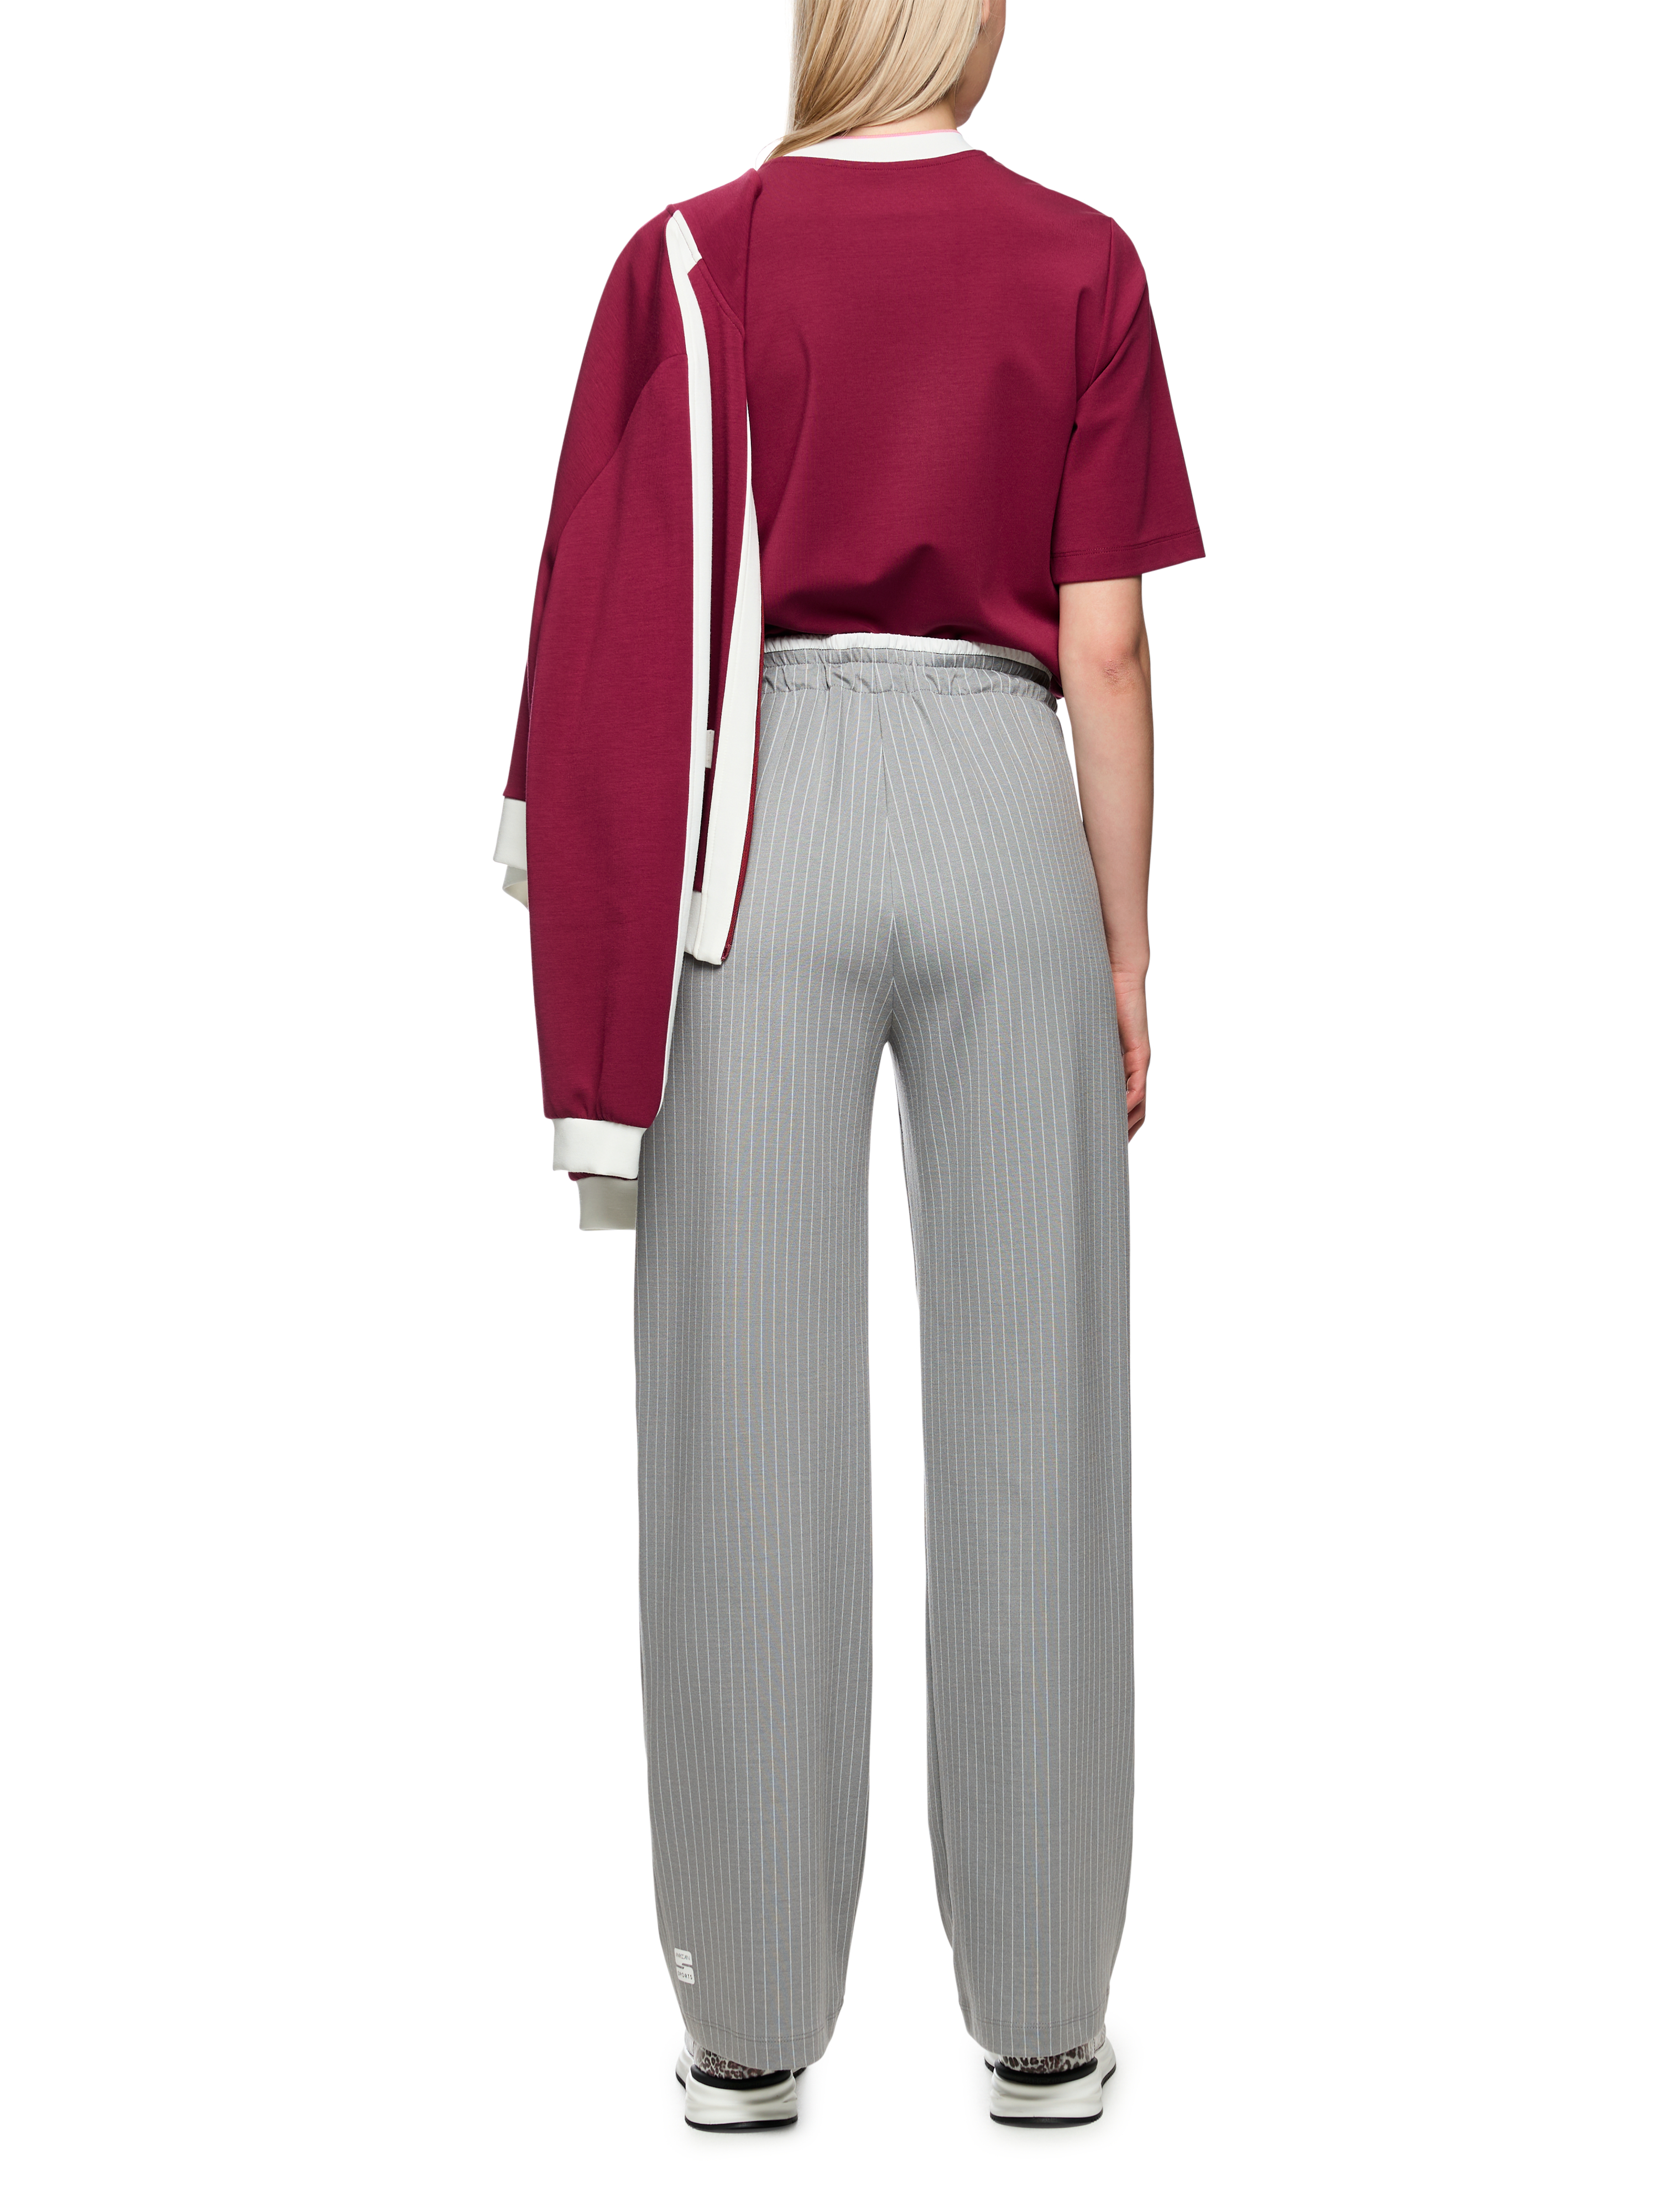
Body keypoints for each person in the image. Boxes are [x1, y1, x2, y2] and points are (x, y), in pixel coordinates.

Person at [493, 0, 1203, 2131]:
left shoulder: (689, 253)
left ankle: (744, 2020)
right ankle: (1047, 2015)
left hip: (756, 820)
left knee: (742, 1408)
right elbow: (1106, 644)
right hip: (1002, 802)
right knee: (1040, 1405)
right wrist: (1125, 940)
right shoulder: (1083, 261)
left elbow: (596, 583)